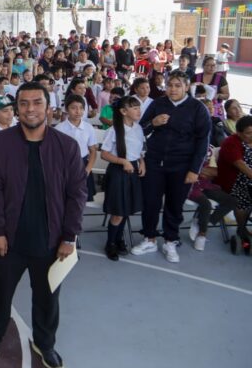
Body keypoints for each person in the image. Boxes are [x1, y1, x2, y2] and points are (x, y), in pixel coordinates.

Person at [0, 82, 86, 368]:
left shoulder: (67, 147)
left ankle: (45, 343)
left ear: (49, 107)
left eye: (37, 102)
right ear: (17, 109)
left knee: (48, 298)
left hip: (51, 241)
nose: (30, 109)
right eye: (23, 103)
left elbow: (77, 194)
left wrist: (69, 236)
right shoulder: (1, 143)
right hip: (8, 240)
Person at [132, 71, 211, 263]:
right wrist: (154, 123)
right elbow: (139, 129)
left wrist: (194, 170)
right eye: (169, 85)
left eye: (177, 85)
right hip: (154, 162)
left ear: (186, 86)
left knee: (174, 205)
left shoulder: (198, 109)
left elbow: (203, 142)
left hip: (182, 166)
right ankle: (149, 238)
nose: (173, 89)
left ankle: (170, 240)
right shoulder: (157, 104)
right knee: (150, 202)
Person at [100, 96, 145, 261]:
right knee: (118, 212)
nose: (138, 111)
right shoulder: (114, 130)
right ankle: (110, 243)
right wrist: (123, 161)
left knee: (127, 209)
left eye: (138, 107)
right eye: (134, 108)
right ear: (123, 111)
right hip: (118, 172)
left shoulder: (138, 128)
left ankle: (119, 239)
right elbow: (104, 154)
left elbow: (140, 150)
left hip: (132, 170)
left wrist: (142, 162)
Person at [217, 115, 252, 249]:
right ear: (239, 133)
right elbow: (240, 165)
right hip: (234, 181)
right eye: (248, 133)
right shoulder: (231, 143)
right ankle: (242, 230)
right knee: (242, 197)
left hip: (249, 180)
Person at [56, 94, 98, 203]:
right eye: (73, 108)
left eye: (81, 108)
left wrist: (87, 170)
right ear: (66, 109)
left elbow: (93, 151)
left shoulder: (88, 128)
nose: (78, 111)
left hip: (83, 165)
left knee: (81, 201)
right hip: (65, 167)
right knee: (64, 200)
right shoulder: (59, 129)